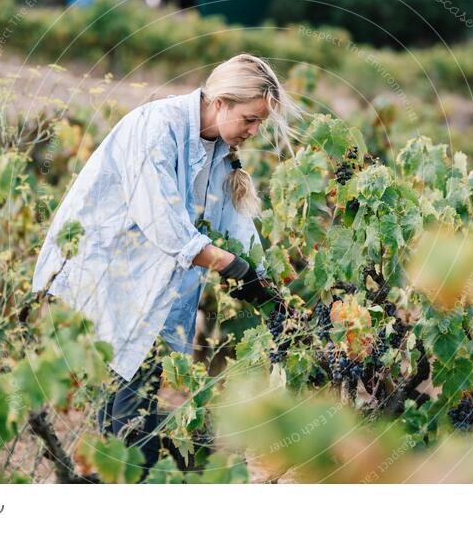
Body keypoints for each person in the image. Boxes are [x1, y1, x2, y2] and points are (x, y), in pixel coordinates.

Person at [31, 53, 302, 476]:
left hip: (150, 291)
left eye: (259, 123)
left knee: (128, 412)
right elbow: (164, 222)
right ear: (220, 103)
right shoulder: (157, 127)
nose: (254, 131)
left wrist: (266, 286)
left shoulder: (216, 148)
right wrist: (232, 267)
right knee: (128, 420)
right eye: (249, 119)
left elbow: (235, 223)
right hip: (109, 279)